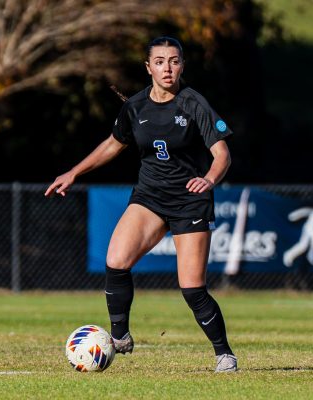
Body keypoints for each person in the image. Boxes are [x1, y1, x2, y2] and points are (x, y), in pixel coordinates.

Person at [45, 36, 237, 373]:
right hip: (150, 196)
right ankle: (119, 337)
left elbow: (222, 154)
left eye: (174, 60)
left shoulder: (194, 104)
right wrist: (74, 172)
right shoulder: (135, 107)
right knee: (116, 260)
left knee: (192, 288)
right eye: (160, 61)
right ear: (148, 67)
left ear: (182, 66)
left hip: (190, 201)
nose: (168, 67)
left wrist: (208, 178)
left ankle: (225, 354)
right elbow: (112, 144)